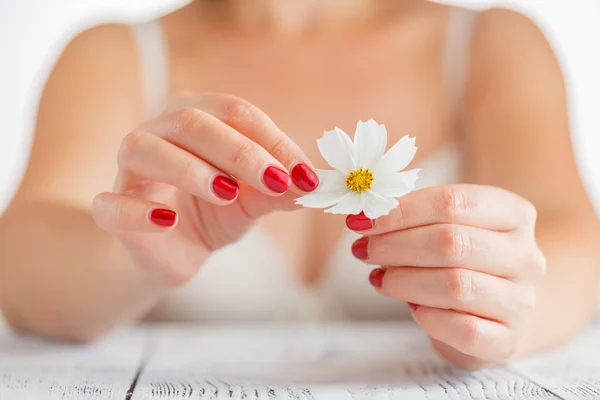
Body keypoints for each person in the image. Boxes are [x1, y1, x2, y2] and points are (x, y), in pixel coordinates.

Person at [1, 0, 599, 370]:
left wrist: (499, 313)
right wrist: (132, 254)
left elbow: (575, 242)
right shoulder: (110, 53)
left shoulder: (496, 43)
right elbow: (20, 268)